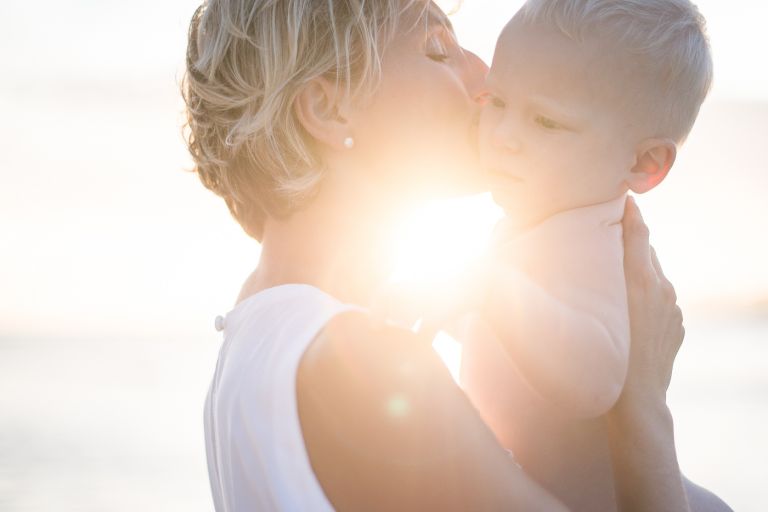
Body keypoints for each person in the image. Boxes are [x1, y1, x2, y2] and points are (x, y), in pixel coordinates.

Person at [184, 1, 694, 510]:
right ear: (328, 108)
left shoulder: (257, 325)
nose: (486, 73)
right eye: (437, 50)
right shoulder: (364, 365)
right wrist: (644, 408)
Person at [462, 2, 732, 509]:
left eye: (545, 120)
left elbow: (595, 380)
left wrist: (486, 287)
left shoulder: (588, 240)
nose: (503, 136)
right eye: (494, 101)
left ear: (644, 163)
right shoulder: (536, 227)